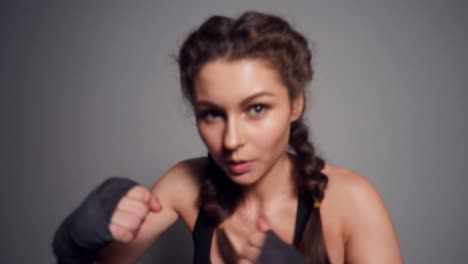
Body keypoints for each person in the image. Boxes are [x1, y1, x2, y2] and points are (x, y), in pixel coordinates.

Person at [53, 11, 403, 264]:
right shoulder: (184, 185)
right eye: (213, 114)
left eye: (256, 109)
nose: (231, 140)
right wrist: (74, 245)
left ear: (296, 104)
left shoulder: (351, 201)